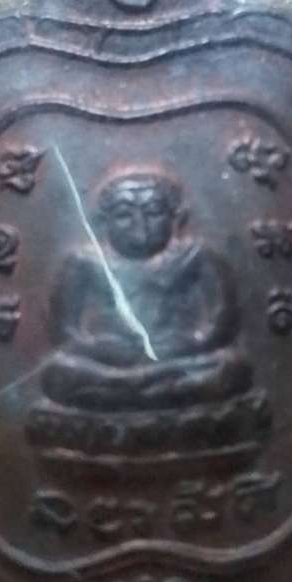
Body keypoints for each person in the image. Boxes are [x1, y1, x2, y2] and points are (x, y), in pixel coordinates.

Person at [41, 172, 254, 411]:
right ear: (102, 221)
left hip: (178, 358)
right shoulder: (84, 261)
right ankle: (148, 389)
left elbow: (222, 319)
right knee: (59, 371)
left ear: (176, 218)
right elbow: (64, 329)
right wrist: (101, 349)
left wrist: (191, 344)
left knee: (232, 367)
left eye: (154, 212)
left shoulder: (196, 255)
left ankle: (127, 391)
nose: (139, 225)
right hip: (109, 362)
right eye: (124, 214)